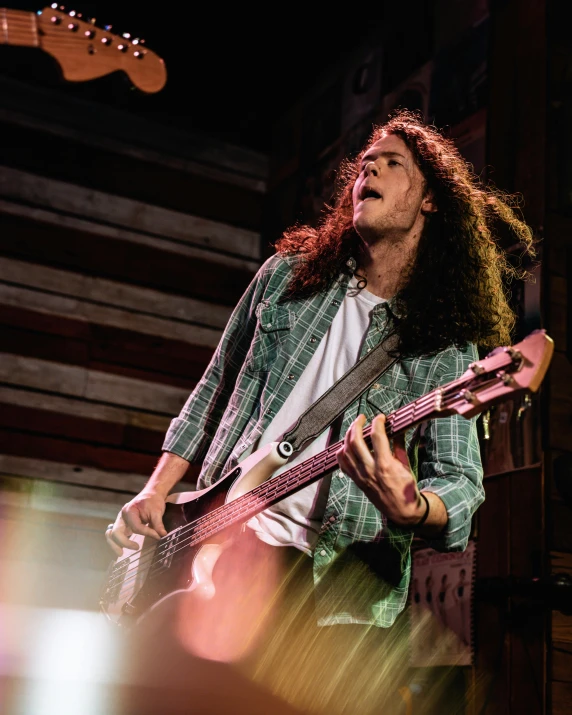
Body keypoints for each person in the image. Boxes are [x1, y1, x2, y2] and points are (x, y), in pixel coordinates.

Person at [105, 108, 536, 714]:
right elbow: (213, 389)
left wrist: (412, 505)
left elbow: (461, 484)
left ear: (432, 201)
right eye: (364, 163)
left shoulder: (445, 345)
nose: (370, 170)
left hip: (328, 581)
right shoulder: (285, 279)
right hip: (214, 531)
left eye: (392, 163)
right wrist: (156, 490)